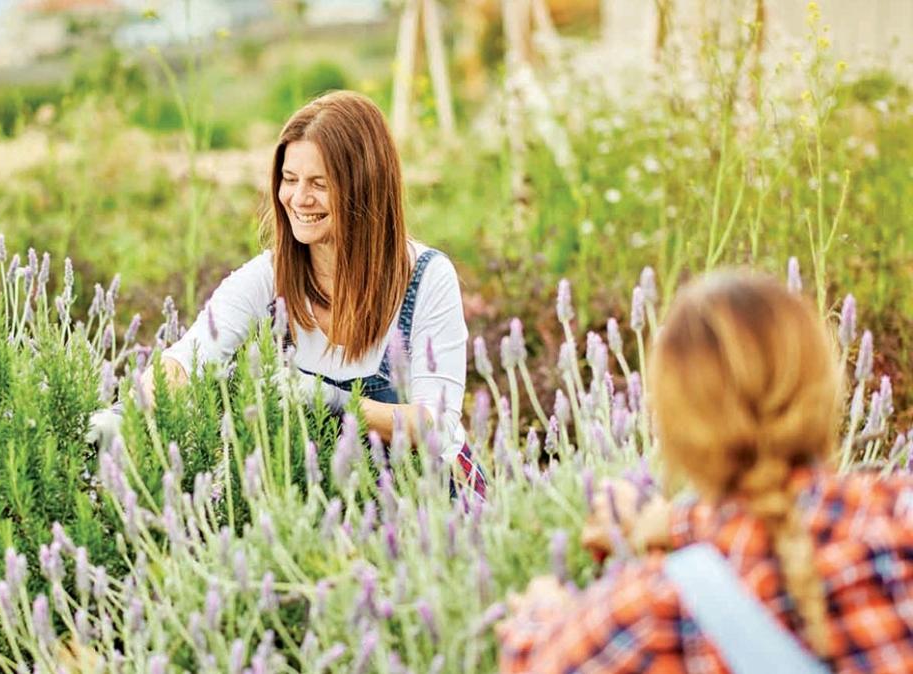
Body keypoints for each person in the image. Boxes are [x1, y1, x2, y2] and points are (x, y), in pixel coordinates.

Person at [496, 271, 913, 672]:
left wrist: (542, 612)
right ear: (826, 390)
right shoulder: (899, 512)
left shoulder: (655, 613)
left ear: (674, 425)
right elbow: (783, 525)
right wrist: (671, 523)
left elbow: (537, 661)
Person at [137, 90, 486, 495]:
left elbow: (435, 426)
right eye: (289, 180)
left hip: (430, 500)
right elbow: (186, 359)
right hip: (323, 502)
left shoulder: (426, 277)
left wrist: (327, 400)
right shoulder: (267, 278)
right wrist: (132, 408)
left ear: (364, 187)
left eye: (319, 184)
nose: (299, 199)